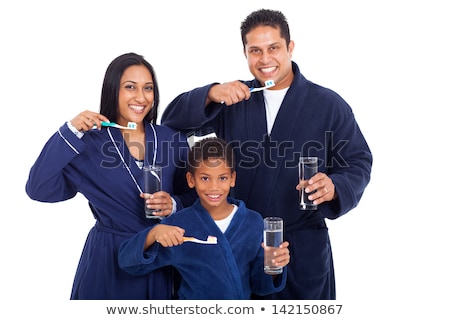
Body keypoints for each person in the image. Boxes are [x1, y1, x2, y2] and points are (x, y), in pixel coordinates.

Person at [161, 9, 373, 300]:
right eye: (255, 50)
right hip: (241, 243)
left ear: (290, 47)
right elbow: (172, 122)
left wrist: (335, 186)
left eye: (273, 48)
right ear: (245, 53)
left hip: (302, 248)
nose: (265, 59)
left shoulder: (328, 104)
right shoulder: (233, 98)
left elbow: (358, 160)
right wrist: (211, 94)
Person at [25, 52, 196, 299]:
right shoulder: (89, 144)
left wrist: (174, 204)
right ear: (112, 91)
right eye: (130, 87)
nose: (141, 97)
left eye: (148, 88)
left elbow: (195, 196)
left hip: (160, 260)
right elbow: (38, 188)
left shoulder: (172, 139)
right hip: (108, 261)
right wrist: (70, 131)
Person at [118, 137, 290, 299]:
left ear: (232, 178)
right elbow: (129, 263)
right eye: (205, 178)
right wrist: (153, 234)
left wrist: (275, 266)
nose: (214, 187)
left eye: (222, 178)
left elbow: (261, 287)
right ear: (191, 180)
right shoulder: (178, 224)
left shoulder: (253, 222)